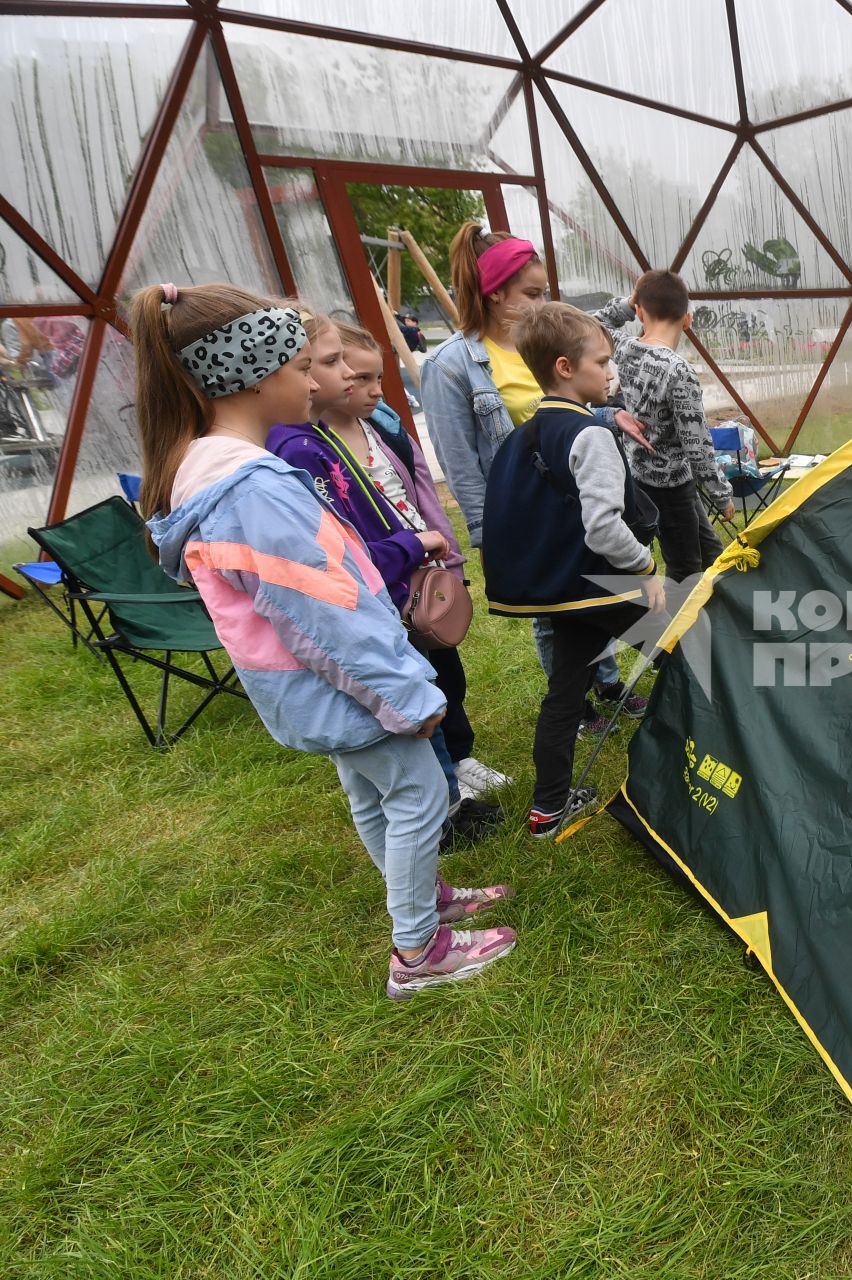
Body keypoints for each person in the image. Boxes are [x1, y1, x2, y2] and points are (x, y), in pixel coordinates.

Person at [132, 281, 515, 1001]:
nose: (314, 382)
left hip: (307, 690)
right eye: (300, 366)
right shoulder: (253, 489)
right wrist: (404, 693)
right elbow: (323, 617)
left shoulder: (212, 476)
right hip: (345, 681)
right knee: (419, 796)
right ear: (252, 375)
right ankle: (420, 950)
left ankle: (425, 905)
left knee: (375, 798)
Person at [265, 313, 510, 841]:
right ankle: (443, 806)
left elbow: (417, 493)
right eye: (336, 368)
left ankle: (455, 775)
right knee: (416, 695)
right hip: (386, 590)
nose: (368, 388)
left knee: (444, 677)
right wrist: (410, 549)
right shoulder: (302, 449)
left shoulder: (381, 429)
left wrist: (444, 559)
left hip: (415, 576)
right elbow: (347, 548)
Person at [419, 223, 629, 734]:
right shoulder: (452, 366)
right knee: (552, 609)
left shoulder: (540, 346)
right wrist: (487, 534)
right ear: (495, 294)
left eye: (543, 292)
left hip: (571, 496)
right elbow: (460, 463)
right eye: (531, 293)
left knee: (593, 588)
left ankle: (607, 682)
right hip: (522, 506)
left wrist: (607, 414)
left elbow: (562, 414)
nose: (541, 303)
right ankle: (575, 707)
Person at [480, 302, 662, 838]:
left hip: (562, 592)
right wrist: (646, 567)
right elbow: (603, 529)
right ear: (564, 367)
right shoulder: (590, 435)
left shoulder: (523, 436)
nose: (612, 374)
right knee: (696, 648)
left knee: (564, 693)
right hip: (603, 586)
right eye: (602, 363)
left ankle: (547, 810)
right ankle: (696, 767)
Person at [592, 270, 734, 582]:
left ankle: (721, 617)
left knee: (711, 554)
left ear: (640, 312)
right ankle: (679, 631)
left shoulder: (625, 348)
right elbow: (697, 445)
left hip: (644, 477)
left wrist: (627, 305)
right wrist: (721, 494)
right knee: (685, 570)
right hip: (671, 486)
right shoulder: (677, 370)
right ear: (688, 319)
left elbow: (590, 324)